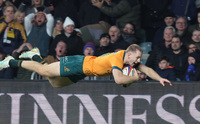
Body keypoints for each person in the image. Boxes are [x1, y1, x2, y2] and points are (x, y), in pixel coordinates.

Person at [0, 44, 172, 88]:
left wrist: (160, 78)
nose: (137, 61)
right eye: (136, 57)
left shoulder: (127, 60)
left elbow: (147, 69)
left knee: (54, 83)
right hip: (80, 63)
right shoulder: (117, 60)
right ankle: (10, 62)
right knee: (43, 70)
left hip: (83, 72)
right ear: (128, 54)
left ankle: (35, 55)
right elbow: (119, 80)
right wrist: (134, 78)